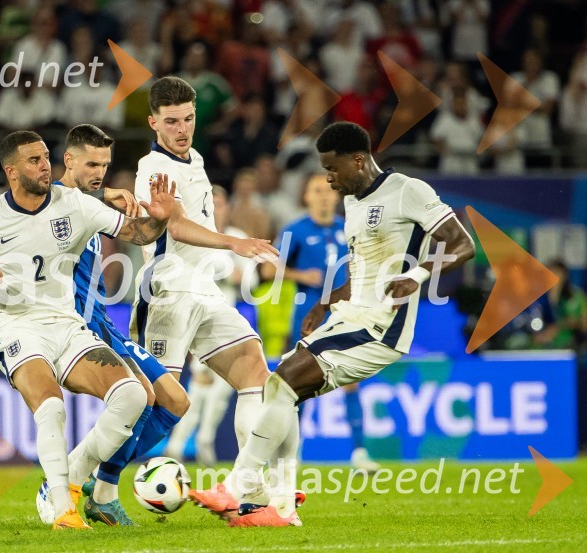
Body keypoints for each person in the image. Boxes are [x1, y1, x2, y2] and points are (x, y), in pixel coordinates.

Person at [192, 121, 476, 526]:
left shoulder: (407, 191)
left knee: (285, 380)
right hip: (349, 315)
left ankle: (237, 487)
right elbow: (362, 272)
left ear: (358, 160)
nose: (328, 177)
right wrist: (325, 303)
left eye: (332, 168)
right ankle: (283, 507)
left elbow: (463, 243)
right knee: (282, 390)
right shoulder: (354, 203)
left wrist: (416, 276)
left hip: (382, 327)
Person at [0, 130, 176, 530]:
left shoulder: (74, 204)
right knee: (52, 406)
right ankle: (63, 509)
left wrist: (160, 219)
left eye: (45, 157)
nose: (44, 166)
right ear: (11, 171)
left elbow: (138, 233)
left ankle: (71, 477)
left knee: (132, 395)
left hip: (67, 324)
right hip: (17, 327)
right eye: (33, 160)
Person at [128, 77, 298, 522]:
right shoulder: (152, 167)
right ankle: (88, 476)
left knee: (256, 374)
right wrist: (231, 243)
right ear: (153, 122)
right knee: (151, 401)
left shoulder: (197, 159)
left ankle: (250, 490)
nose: (181, 128)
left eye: (188, 118)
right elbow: (176, 227)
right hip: (167, 291)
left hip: (203, 290)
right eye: (171, 121)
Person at [48, 124, 189, 526]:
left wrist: (157, 218)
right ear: (69, 160)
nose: (100, 172)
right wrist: (105, 193)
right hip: (77, 326)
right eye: (91, 163)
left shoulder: (91, 205)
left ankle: (99, 484)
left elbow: (130, 226)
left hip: (104, 322)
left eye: (105, 165)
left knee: (175, 401)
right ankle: (83, 485)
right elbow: (53, 196)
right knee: (141, 397)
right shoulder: (54, 205)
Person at [263, 173, 379, 472]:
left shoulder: (348, 227)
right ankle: (292, 454)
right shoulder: (296, 230)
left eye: (329, 190)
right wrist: (301, 276)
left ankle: (360, 453)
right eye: (317, 190)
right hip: (308, 316)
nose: (325, 195)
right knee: (298, 384)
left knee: (352, 380)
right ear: (307, 197)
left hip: (345, 315)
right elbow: (267, 270)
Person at [164, 184, 257, 467]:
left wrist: (240, 276)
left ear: (228, 207)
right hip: (199, 318)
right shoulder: (191, 236)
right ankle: (186, 442)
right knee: (202, 385)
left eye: (221, 204)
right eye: (210, 204)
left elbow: (252, 284)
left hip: (227, 319)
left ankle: (192, 441)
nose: (216, 209)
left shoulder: (238, 239)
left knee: (219, 388)